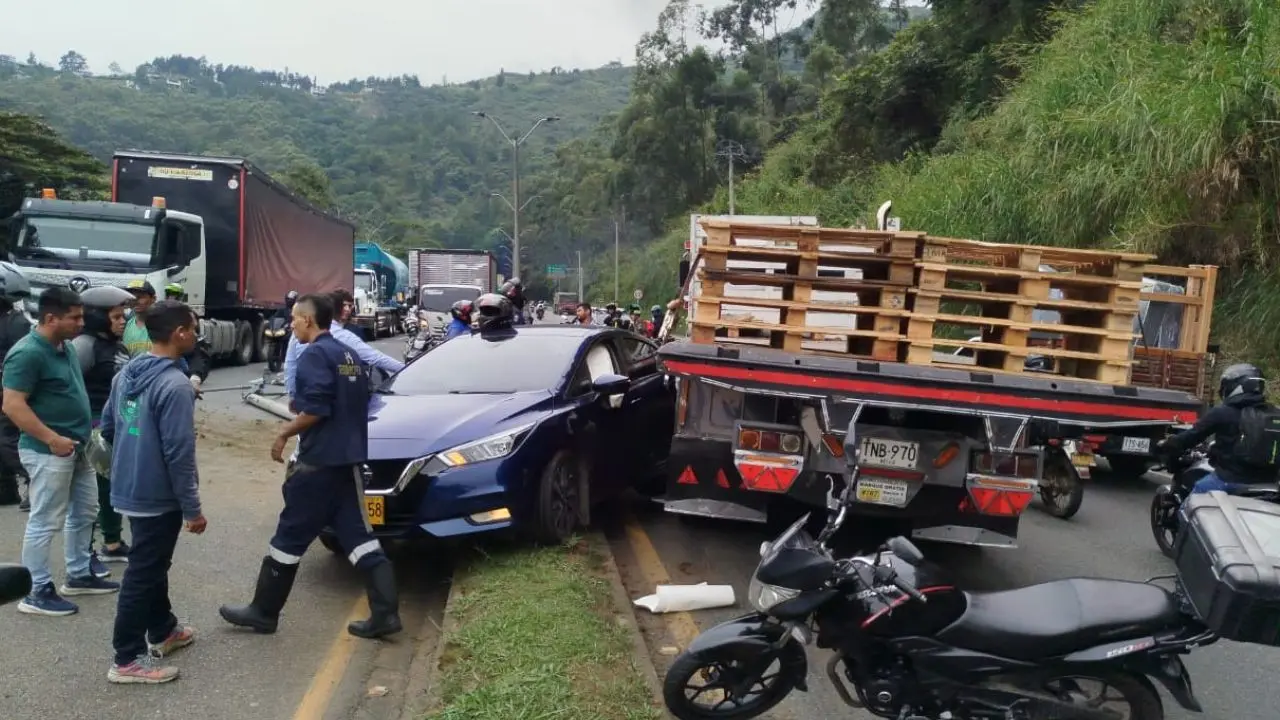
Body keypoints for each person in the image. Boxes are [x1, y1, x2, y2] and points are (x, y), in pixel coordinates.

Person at [220, 293, 401, 639]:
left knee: (288, 537)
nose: (291, 325)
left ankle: (263, 611)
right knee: (359, 538)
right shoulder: (348, 353)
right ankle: (385, 613)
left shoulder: (314, 355)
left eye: (294, 318)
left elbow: (317, 409)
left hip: (318, 464)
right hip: (348, 462)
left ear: (308, 319)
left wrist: (283, 433)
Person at [101, 299, 205, 684]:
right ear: (179, 333)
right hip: (158, 495)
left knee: (152, 561)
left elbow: (111, 427)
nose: (196, 336)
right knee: (144, 572)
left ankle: (163, 629)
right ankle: (126, 659)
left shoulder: (127, 374)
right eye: (193, 329)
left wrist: (134, 451)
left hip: (129, 486)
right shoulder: (175, 385)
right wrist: (192, 508)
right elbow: (178, 453)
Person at [5, 286, 119, 616]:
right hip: (47, 451)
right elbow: (12, 404)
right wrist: (52, 439)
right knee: (45, 520)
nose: (82, 323)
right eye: (75, 317)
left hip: (78, 447)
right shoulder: (27, 353)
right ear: (50, 318)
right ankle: (36, 590)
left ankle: (79, 574)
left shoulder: (66, 346)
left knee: (85, 511)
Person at [71, 285, 137, 578]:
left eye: (123, 316)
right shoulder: (84, 346)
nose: (123, 321)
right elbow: (70, 388)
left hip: (117, 426)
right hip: (94, 429)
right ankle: (89, 553)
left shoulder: (117, 347)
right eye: (116, 316)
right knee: (94, 493)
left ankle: (112, 543)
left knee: (112, 486)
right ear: (98, 317)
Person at [1159, 363, 1280, 494]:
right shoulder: (1275, 414)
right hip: (1270, 485)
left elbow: (1191, 437)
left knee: (1192, 500)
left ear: (1235, 386)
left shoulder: (1223, 412)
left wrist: (1168, 444)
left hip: (1230, 480)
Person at [283, 288, 404, 399]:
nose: (348, 309)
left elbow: (290, 365)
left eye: (350, 305)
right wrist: (408, 370)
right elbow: (375, 358)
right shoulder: (344, 337)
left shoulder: (299, 332)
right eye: (345, 305)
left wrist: (293, 396)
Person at [122, 279, 211, 393]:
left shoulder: (169, 325)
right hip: (136, 388)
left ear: (153, 298)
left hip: (167, 387)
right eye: (132, 297)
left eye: (140, 297)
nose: (135, 301)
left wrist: (194, 379)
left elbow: (196, 355)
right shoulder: (124, 325)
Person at [0, 263, 32, 509]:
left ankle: (36, 479)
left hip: (7, 388)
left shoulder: (16, 323)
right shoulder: (14, 320)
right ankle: (6, 489)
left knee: (6, 438)